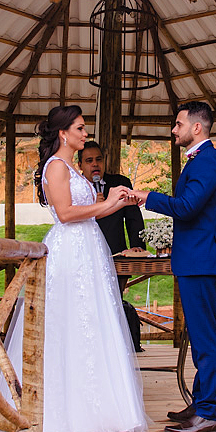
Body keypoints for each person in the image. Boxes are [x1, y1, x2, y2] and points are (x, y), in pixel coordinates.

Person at [0, 105, 149, 432]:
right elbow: (66, 214)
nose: (85, 134)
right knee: (67, 321)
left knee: (93, 321)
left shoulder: (72, 168)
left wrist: (115, 204)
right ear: (64, 133)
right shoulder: (55, 168)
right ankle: (60, 412)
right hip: (70, 249)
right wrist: (108, 203)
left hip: (89, 247)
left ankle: (101, 406)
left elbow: (89, 211)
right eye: (80, 128)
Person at [130, 101, 216, 432]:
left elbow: (187, 208)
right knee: (200, 336)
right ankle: (201, 403)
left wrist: (147, 197)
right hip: (195, 259)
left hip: (201, 260)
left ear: (196, 127)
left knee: (205, 338)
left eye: (178, 124)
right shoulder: (202, 161)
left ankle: (210, 413)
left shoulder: (207, 162)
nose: (174, 130)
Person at [77, 140, 145, 352]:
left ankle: (113, 349)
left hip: (116, 255)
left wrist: (137, 246)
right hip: (84, 254)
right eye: (89, 161)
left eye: (98, 159)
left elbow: (134, 217)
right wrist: (93, 206)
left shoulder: (120, 183)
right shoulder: (76, 188)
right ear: (80, 165)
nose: (95, 164)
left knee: (113, 301)